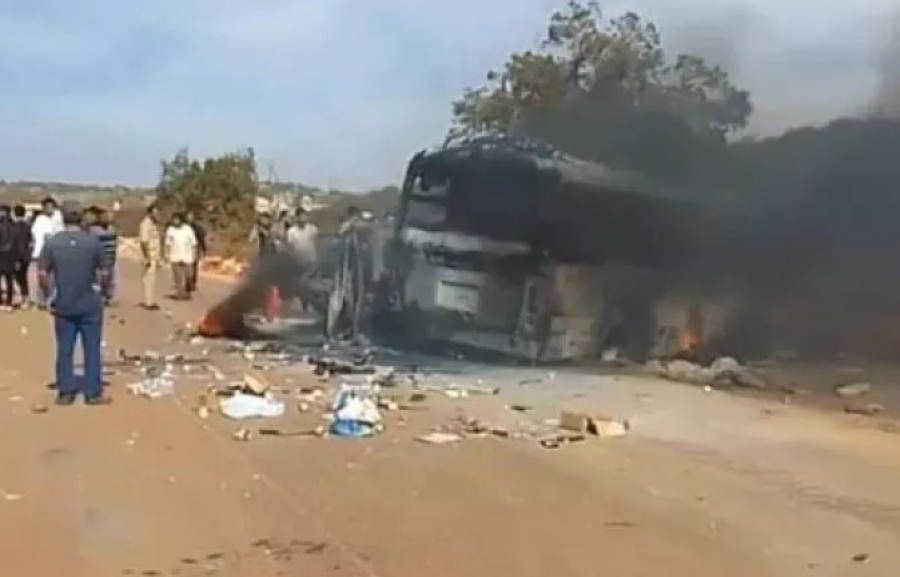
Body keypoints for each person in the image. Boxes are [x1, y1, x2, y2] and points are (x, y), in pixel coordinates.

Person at [38, 200, 109, 406]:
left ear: (62, 216)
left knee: (65, 348)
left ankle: (65, 392)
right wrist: (102, 291)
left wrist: (48, 294)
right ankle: (93, 392)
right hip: (89, 303)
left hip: (63, 303)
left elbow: (42, 272)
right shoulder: (93, 242)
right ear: (81, 217)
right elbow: (105, 271)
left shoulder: (53, 243)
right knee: (92, 348)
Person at [31, 197, 63, 307]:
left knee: (55, 278)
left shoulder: (58, 218)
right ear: (43, 208)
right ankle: (42, 300)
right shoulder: (39, 220)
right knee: (42, 277)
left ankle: (53, 299)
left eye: (51, 207)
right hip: (41, 252)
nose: (50, 209)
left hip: (57, 252)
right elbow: (36, 235)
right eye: (47, 207)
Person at [87, 207, 119, 305]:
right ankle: (99, 297)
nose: (106, 218)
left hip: (111, 257)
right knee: (99, 279)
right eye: (104, 216)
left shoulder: (113, 228)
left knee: (111, 279)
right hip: (99, 260)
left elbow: (116, 242)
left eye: (107, 215)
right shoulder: (93, 230)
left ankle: (109, 297)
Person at [164, 212, 197, 300]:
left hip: (187, 256)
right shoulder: (170, 230)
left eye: (177, 219)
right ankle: (180, 294)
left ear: (181, 220)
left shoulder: (188, 229)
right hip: (175, 256)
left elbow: (194, 243)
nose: (175, 221)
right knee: (178, 278)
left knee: (189, 276)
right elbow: (167, 244)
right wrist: (166, 254)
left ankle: (188, 292)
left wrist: (194, 254)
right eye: (174, 219)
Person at [138, 203, 162, 310]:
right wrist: (147, 257)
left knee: (152, 280)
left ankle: (151, 300)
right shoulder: (145, 224)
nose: (157, 214)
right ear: (150, 213)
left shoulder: (154, 224)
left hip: (154, 255)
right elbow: (144, 242)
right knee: (148, 279)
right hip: (149, 255)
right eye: (155, 212)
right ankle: (148, 302)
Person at [11, 205, 33, 308]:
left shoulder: (14, 227)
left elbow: (15, 243)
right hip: (26, 255)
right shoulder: (28, 226)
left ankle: (24, 298)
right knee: (23, 277)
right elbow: (31, 241)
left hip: (17, 255)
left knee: (19, 277)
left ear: (14, 213)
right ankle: (25, 298)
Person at [185, 211, 207, 293]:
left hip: (195, 247)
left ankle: (193, 282)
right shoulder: (183, 226)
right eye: (188, 216)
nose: (189, 218)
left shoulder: (197, 227)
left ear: (193, 217)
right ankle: (188, 281)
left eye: (190, 216)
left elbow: (201, 238)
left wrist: (204, 248)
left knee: (194, 266)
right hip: (185, 248)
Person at [0, 206, 16, 311]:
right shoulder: (11, 225)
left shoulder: (11, 225)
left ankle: (9, 302)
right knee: (7, 279)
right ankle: (3, 301)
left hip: (8, 256)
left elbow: (12, 241)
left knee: (9, 279)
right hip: (5, 256)